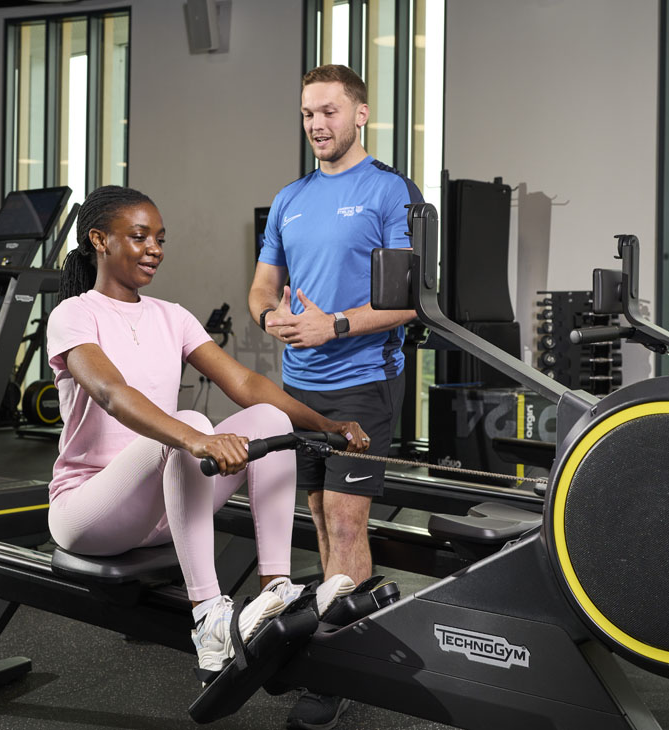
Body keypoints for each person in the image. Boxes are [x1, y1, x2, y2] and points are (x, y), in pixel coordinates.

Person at [46, 185, 370, 683]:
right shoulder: (74, 314)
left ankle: (275, 586)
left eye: (160, 238)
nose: (154, 248)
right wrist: (194, 438)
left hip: (163, 506)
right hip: (91, 512)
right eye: (139, 237)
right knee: (191, 424)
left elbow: (245, 383)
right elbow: (111, 392)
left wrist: (326, 426)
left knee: (270, 420)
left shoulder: (170, 315)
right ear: (99, 240)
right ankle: (209, 618)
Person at [248, 63, 421, 729]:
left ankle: (338, 669)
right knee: (319, 518)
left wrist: (336, 323)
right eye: (308, 114)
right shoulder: (290, 199)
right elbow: (262, 287)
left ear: (360, 115)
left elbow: (410, 304)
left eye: (329, 111)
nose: (317, 125)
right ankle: (335, 638)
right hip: (300, 389)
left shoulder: (389, 192)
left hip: (364, 384)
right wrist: (271, 320)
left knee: (347, 523)